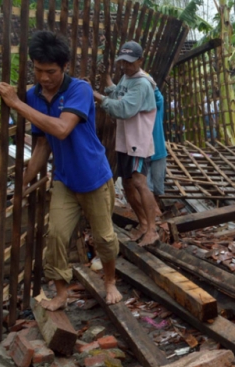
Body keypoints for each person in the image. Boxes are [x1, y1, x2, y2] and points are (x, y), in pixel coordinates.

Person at [0, 30, 122, 310]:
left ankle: (110, 281)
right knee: (56, 237)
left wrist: (16, 104)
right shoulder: (34, 96)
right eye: (38, 70)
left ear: (65, 67)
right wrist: (22, 184)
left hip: (93, 177)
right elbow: (42, 146)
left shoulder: (80, 89)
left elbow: (62, 129)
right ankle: (62, 293)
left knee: (105, 238)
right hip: (64, 179)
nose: (44, 78)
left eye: (50, 71)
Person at [94, 40, 160, 247]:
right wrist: (107, 82)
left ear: (140, 60)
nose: (125, 65)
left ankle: (152, 229)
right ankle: (142, 223)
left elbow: (124, 109)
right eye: (122, 62)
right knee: (128, 184)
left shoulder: (141, 83)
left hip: (138, 141)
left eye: (130, 62)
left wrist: (96, 96)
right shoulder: (126, 77)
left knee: (139, 182)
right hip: (125, 141)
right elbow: (119, 93)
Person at [146, 83, 168, 209]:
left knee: (158, 186)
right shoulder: (139, 110)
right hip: (145, 152)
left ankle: (158, 209)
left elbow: (159, 97)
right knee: (147, 186)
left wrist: (153, 85)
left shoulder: (156, 108)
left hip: (158, 152)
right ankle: (153, 211)